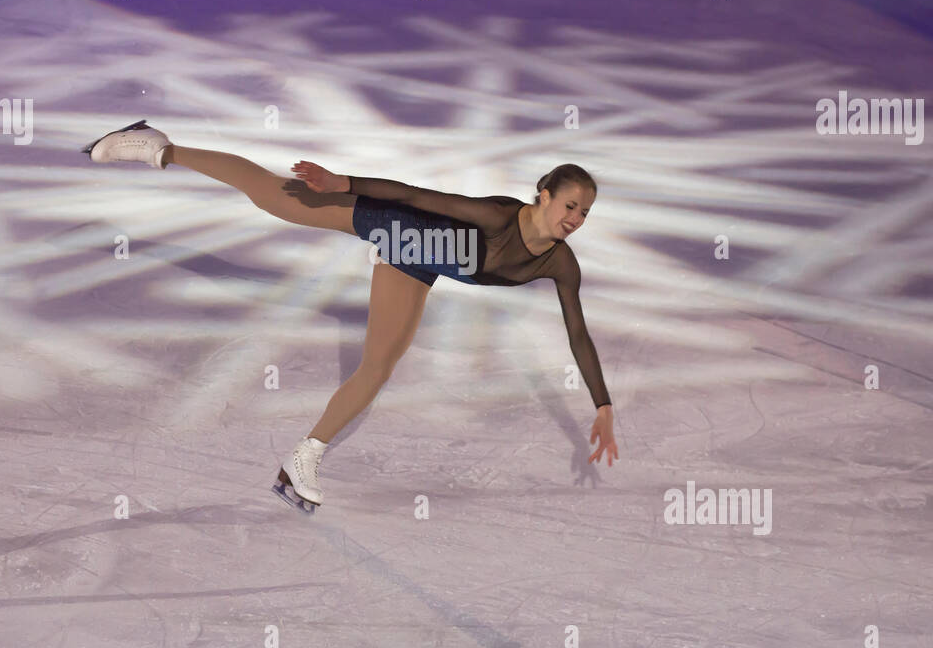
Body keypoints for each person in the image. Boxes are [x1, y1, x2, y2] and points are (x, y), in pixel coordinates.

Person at [83, 120, 618, 508]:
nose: (576, 218)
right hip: (396, 224)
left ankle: (304, 457)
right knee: (275, 197)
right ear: (543, 196)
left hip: (418, 265)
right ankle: (158, 147)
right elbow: (419, 194)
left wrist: (602, 405)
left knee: (378, 366)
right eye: (569, 205)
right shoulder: (498, 215)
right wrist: (347, 185)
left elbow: (578, 331)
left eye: (584, 212)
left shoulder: (560, 263)